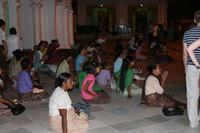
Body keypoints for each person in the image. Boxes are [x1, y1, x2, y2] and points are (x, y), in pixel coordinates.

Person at [183, 10, 200, 128]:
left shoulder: (187, 33)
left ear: (195, 20)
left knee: (192, 95)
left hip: (191, 66)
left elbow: (185, 54)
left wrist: (185, 68)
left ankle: (193, 122)